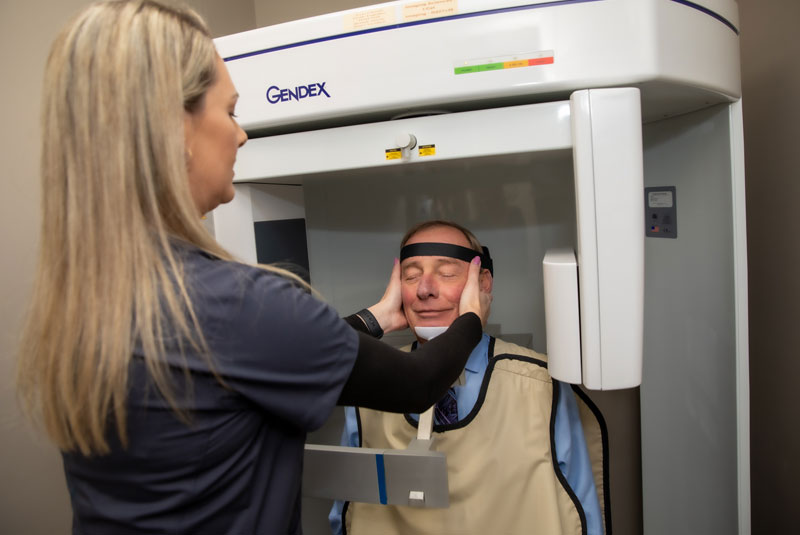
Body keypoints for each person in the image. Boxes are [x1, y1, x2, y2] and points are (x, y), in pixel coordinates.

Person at [14, 2, 490, 534]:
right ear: (175, 128)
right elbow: (419, 381)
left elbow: (263, 355)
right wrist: (472, 315)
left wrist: (377, 317)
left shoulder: (91, 296)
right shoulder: (239, 303)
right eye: (231, 111)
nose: (241, 135)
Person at [330, 220, 610, 535]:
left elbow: (581, 512)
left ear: (483, 284)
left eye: (447, 273)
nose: (425, 289)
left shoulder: (540, 385)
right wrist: (376, 317)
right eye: (411, 276)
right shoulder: (367, 391)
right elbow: (346, 514)